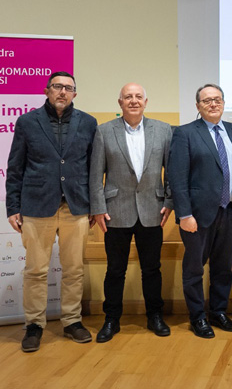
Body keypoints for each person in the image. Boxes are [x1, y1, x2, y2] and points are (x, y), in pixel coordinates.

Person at [6, 71, 97, 352]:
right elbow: (15, 167)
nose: (62, 92)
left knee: (73, 270)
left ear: (75, 94)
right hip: (36, 207)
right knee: (36, 271)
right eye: (57, 87)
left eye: (68, 88)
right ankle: (34, 325)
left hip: (76, 207)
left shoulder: (88, 123)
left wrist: (95, 205)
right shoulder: (27, 122)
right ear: (47, 90)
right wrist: (13, 207)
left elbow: (94, 169)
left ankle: (71, 321)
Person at [89, 83, 173, 342]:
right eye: (128, 97)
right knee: (115, 269)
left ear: (146, 102)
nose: (134, 101)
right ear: (120, 102)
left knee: (152, 268)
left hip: (152, 209)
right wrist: (99, 208)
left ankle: (155, 316)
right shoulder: (103, 131)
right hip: (116, 211)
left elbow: (172, 170)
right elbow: (95, 175)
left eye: (138, 97)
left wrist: (169, 201)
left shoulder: (163, 130)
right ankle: (111, 319)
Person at [168, 84, 232, 339]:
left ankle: (219, 312)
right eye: (207, 101)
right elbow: (177, 178)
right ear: (198, 106)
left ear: (223, 102)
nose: (213, 104)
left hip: (229, 211)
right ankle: (198, 317)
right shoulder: (185, 133)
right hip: (197, 216)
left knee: (223, 268)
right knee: (194, 269)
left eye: (217, 99)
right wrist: (184, 215)